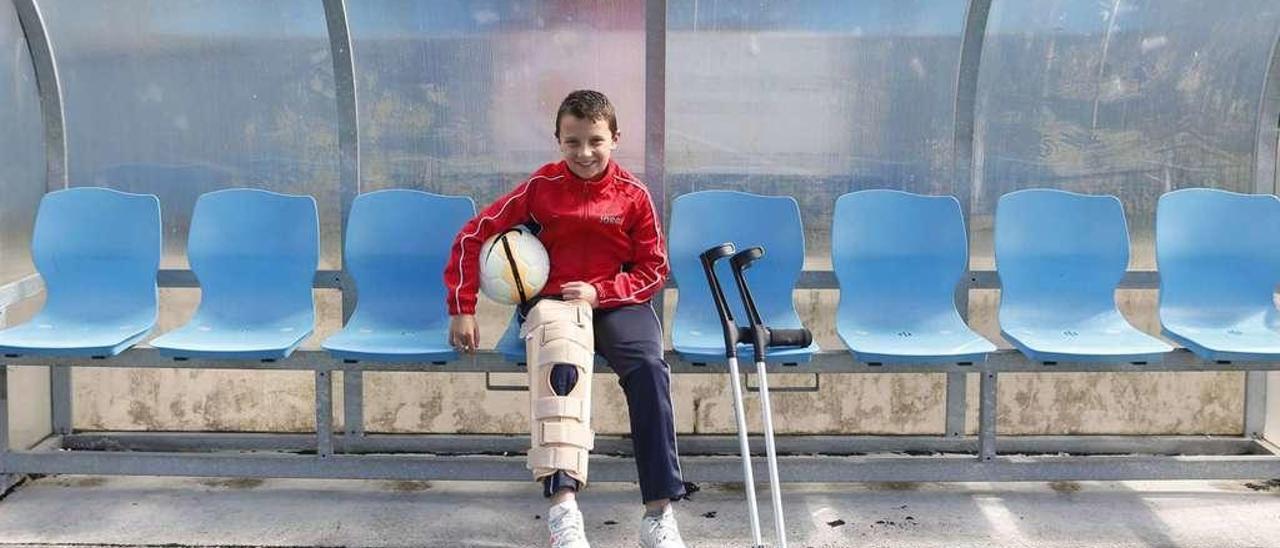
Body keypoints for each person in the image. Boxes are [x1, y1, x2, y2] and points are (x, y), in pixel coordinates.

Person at [444, 90, 687, 548]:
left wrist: (603, 292)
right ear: (558, 140)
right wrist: (463, 307)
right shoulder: (540, 188)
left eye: (595, 140)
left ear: (615, 138)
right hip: (554, 305)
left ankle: (658, 513)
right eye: (572, 142)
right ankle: (563, 512)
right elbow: (474, 233)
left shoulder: (634, 196)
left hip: (617, 303)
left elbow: (653, 269)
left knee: (650, 370)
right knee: (561, 373)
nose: (585, 153)